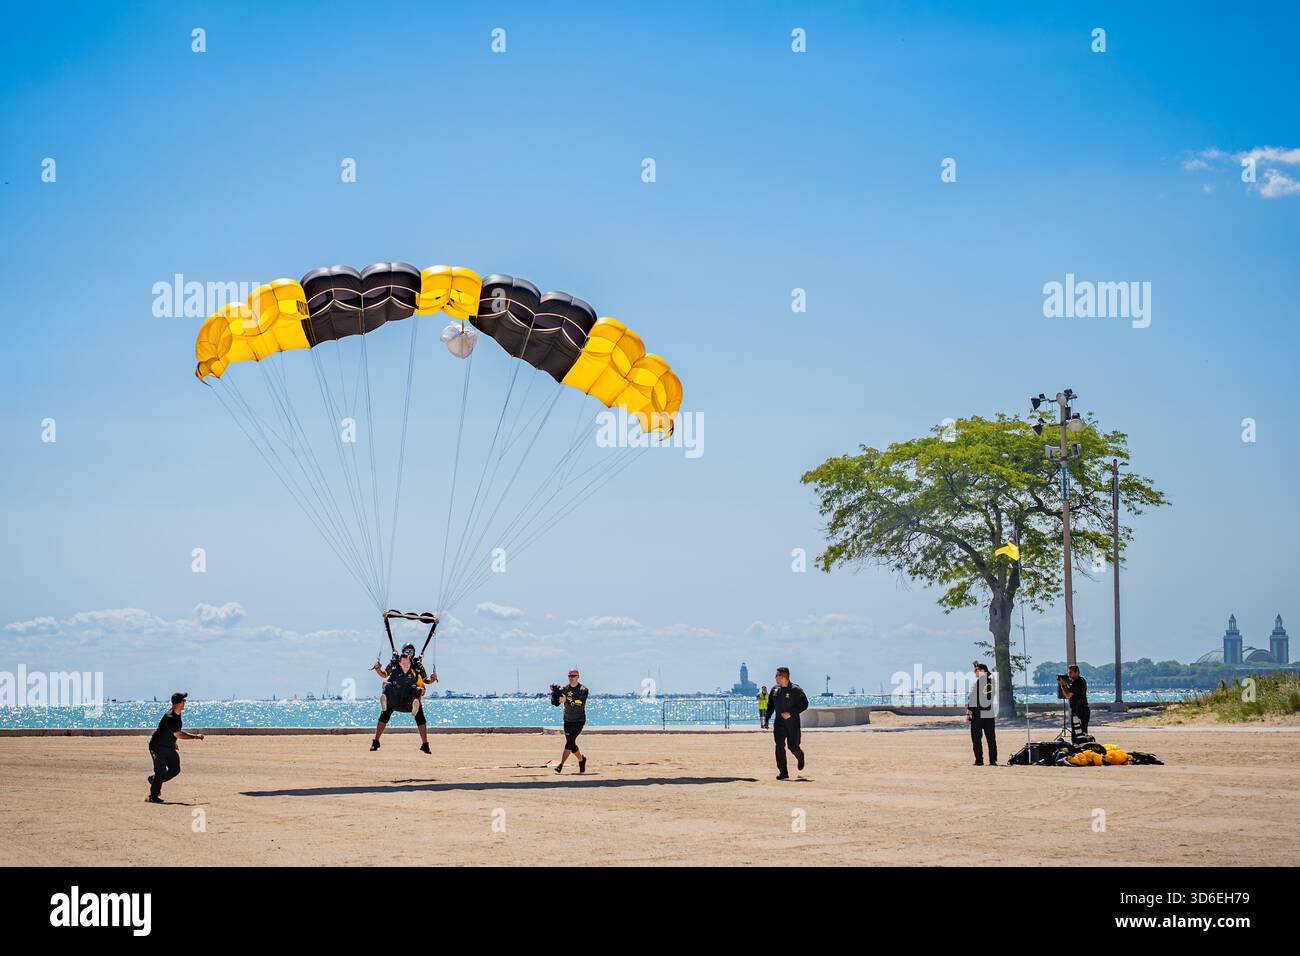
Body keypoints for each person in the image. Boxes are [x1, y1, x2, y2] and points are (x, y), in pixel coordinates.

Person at [370, 642, 437, 753]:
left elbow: (426, 681)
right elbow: (385, 674)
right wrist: (377, 669)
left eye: (411, 652)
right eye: (407, 651)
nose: (409, 653)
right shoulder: (395, 662)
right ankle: (375, 742)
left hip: (410, 698)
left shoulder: (417, 665)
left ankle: (425, 745)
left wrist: (433, 678)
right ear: (402, 653)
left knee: (420, 716)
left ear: (414, 653)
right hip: (395, 696)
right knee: (384, 713)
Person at [147, 692, 203, 803]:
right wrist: (195, 736)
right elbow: (179, 734)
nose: (185, 703)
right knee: (161, 771)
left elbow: (170, 733)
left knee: (175, 770)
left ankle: (154, 780)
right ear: (179, 703)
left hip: (168, 746)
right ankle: (153, 796)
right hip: (157, 747)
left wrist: (173, 742)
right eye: (184, 701)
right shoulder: (171, 717)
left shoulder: (177, 714)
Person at [769, 667, 808, 780]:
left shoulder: (796, 690)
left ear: (783, 677)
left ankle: (800, 755)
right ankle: (783, 772)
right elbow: (770, 705)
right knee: (779, 745)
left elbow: (804, 705)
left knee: (793, 746)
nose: (775, 677)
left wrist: (791, 713)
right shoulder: (775, 690)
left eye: (777, 675)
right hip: (779, 723)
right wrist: (766, 718)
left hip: (792, 723)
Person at [550, 669, 588, 774]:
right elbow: (555, 703)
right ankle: (581, 760)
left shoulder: (583, 689)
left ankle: (560, 765)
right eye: (569, 676)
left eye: (573, 676)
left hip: (579, 720)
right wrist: (554, 693)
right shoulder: (565, 689)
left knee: (569, 742)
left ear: (578, 677)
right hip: (567, 720)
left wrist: (567, 700)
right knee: (571, 744)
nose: (571, 678)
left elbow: (580, 702)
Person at [965, 662, 997, 766]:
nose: (975, 672)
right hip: (989, 713)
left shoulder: (977, 684)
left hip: (978, 714)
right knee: (991, 738)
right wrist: (977, 666)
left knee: (976, 738)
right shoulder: (991, 683)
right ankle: (993, 760)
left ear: (982, 671)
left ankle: (979, 760)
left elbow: (973, 700)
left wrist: (968, 714)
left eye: (976, 670)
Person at [1058, 665, 1090, 738]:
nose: (1069, 675)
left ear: (1077, 672)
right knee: (1081, 733)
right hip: (1081, 709)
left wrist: (1063, 685)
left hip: (1080, 710)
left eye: (1071, 673)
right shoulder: (1080, 681)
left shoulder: (1078, 682)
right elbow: (1071, 692)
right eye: (1068, 673)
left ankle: (1080, 746)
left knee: (1078, 734)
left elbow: (1068, 695)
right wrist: (1065, 684)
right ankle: (1081, 746)